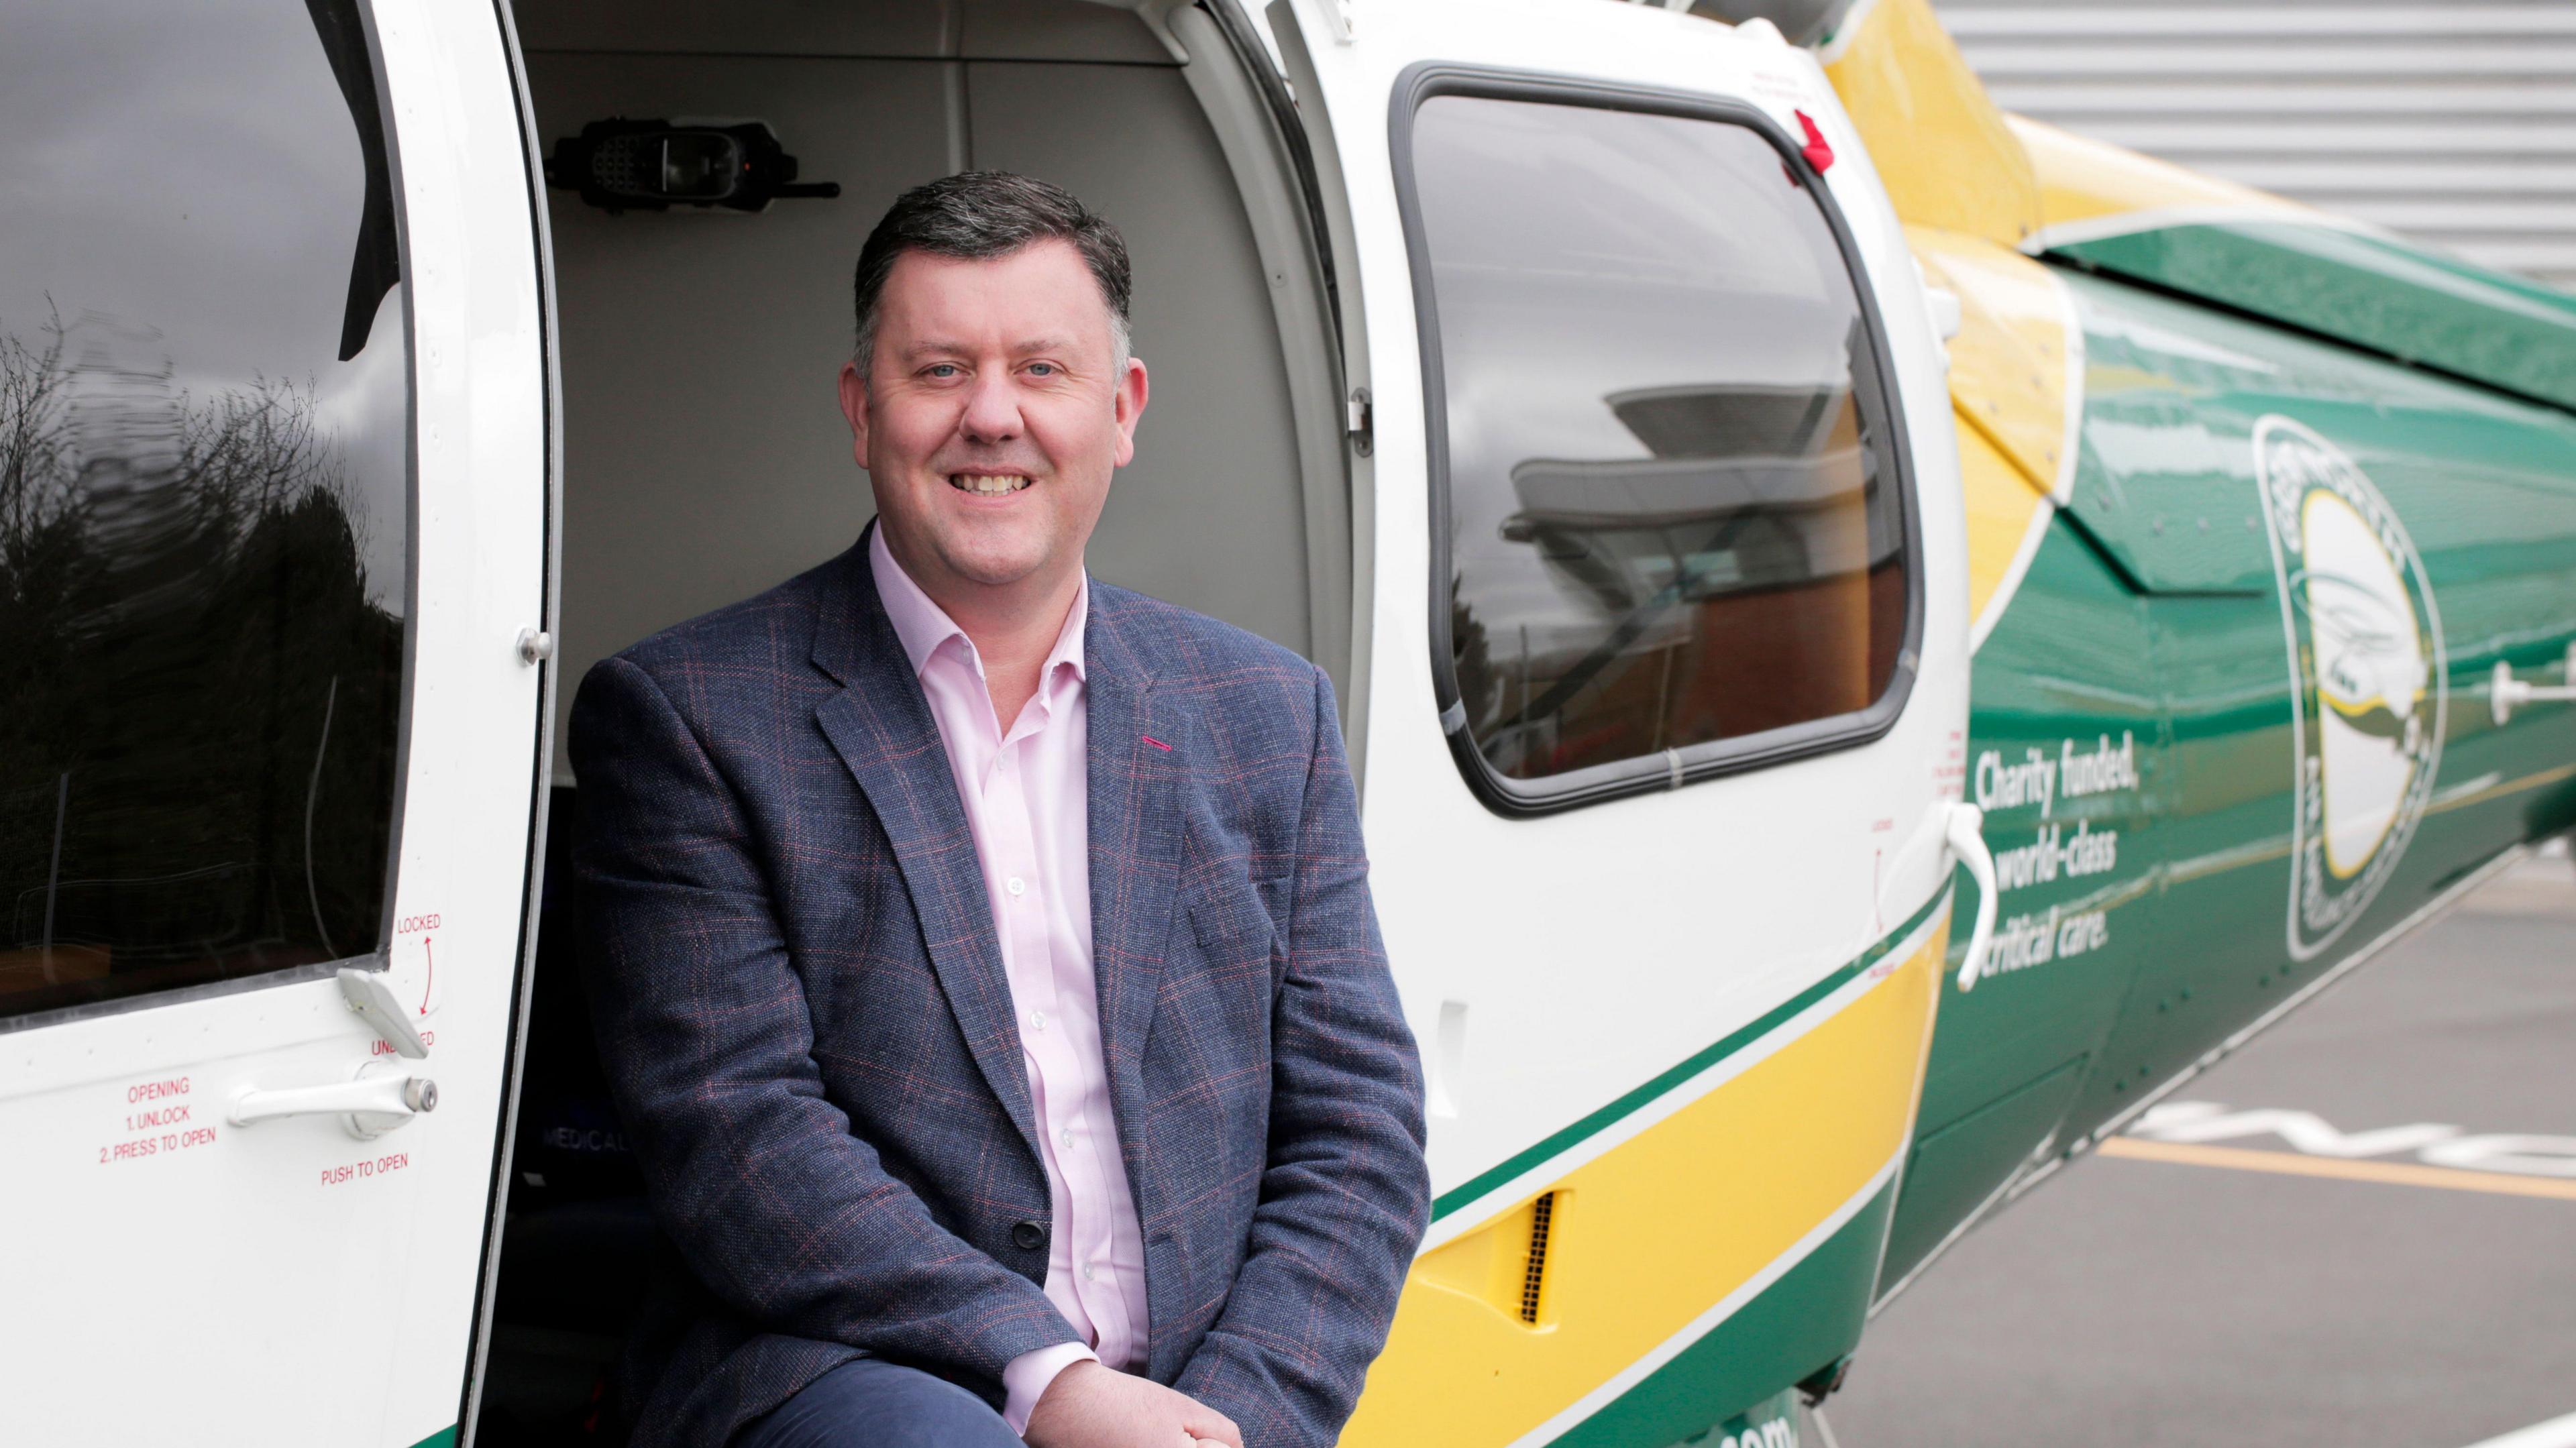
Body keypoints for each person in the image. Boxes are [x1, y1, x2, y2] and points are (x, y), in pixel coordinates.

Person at [571, 171, 1429, 1448]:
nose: (992, 418)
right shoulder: (686, 716)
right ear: (863, 412)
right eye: (938, 373)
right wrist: (1052, 1381)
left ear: (1121, 411)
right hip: (854, 1370)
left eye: (1041, 370)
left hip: (1193, 1392)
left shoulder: (1267, 714)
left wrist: (1242, 1419)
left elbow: (1359, 1133)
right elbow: (741, 1139)